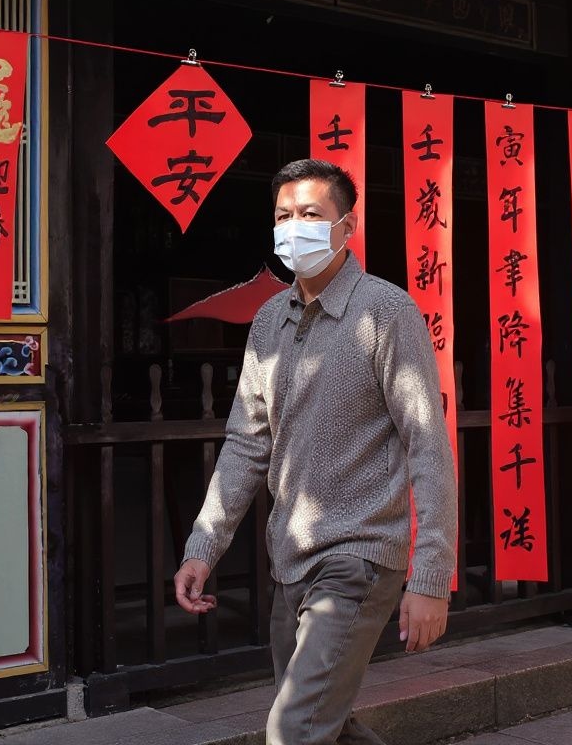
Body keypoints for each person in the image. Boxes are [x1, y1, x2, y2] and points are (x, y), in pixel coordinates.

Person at [174, 159, 457, 744]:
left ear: (346, 227)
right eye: (283, 215)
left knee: (294, 729)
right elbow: (245, 445)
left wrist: (430, 577)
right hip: (291, 558)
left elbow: (427, 445)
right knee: (325, 723)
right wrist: (203, 546)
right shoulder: (268, 320)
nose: (293, 227)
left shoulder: (387, 311)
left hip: (360, 554)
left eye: (310, 214)